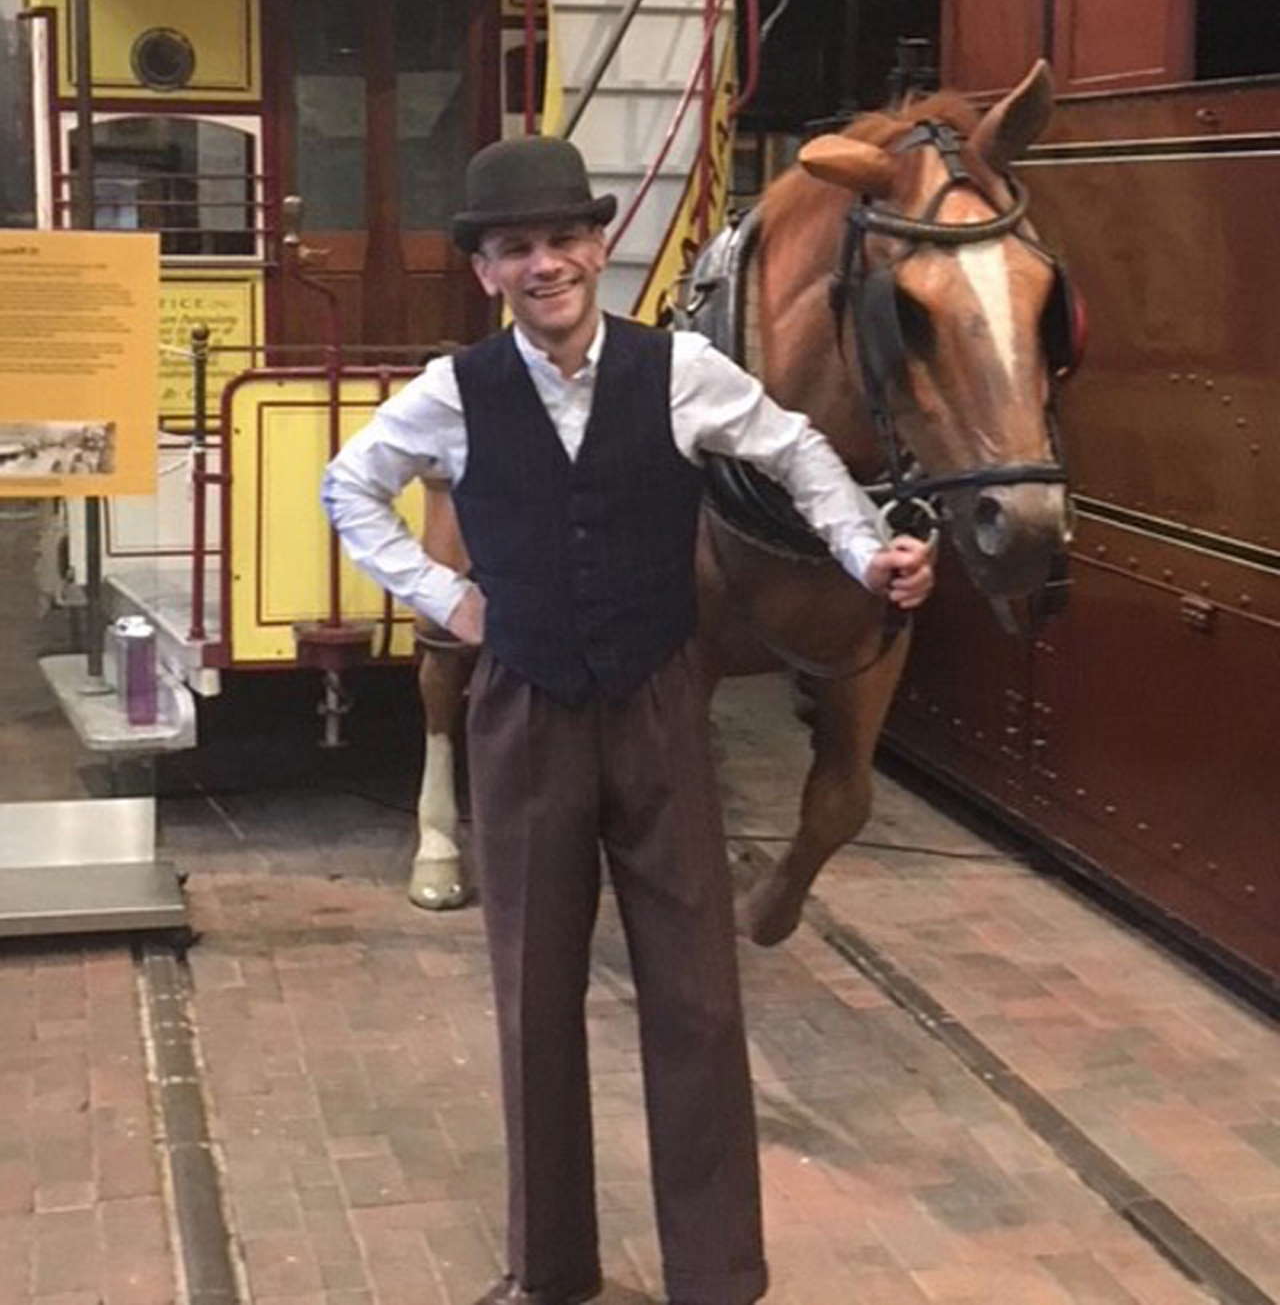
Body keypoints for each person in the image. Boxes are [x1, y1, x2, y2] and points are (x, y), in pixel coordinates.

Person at [321, 136, 934, 1305]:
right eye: (516, 247)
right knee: (532, 991)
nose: (544, 263)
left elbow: (797, 449)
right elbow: (346, 487)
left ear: (598, 246)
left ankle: (715, 1271)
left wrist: (865, 546)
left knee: (696, 991)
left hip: (657, 700)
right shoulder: (453, 392)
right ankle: (551, 1267)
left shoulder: (682, 370)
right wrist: (444, 596)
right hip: (523, 710)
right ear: (485, 269)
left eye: (563, 239)